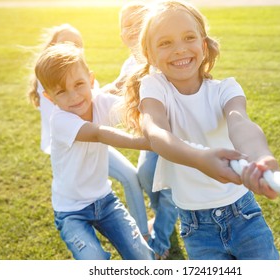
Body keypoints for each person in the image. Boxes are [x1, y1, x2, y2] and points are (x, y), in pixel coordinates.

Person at [123, 0, 279, 260]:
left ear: (203, 45)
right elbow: (155, 131)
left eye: (188, 38)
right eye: (165, 42)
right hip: (196, 227)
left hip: (244, 215)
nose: (180, 49)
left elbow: (241, 124)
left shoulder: (225, 89)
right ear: (149, 54)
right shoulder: (155, 88)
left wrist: (260, 156)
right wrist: (199, 159)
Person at [27, 23, 150, 241]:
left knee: (130, 176)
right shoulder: (48, 84)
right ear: (53, 46)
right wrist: (147, 141)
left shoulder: (79, 75)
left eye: (78, 44)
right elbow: (87, 124)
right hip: (71, 143)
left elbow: (98, 100)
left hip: (92, 141)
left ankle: (144, 235)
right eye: (66, 43)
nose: (72, 48)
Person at [104, 2, 178, 260]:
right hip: (149, 138)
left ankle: (160, 238)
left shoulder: (157, 57)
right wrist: (90, 98)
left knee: (169, 190)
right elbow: (116, 88)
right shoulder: (128, 64)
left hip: (173, 135)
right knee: (146, 175)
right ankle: (162, 215)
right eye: (127, 25)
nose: (133, 29)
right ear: (121, 34)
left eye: (139, 22)